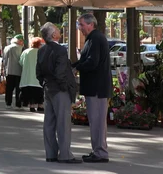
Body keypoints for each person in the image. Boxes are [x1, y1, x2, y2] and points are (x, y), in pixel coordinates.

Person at [36, 22, 82, 164]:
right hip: (59, 89)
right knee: (63, 123)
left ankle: (50, 153)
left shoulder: (42, 50)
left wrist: (44, 83)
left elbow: (38, 72)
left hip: (48, 87)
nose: (59, 32)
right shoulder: (60, 50)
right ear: (53, 35)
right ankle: (65, 154)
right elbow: (60, 72)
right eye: (57, 30)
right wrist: (65, 87)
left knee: (49, 122)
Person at [73, 13, 112, 163]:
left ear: (91, 24)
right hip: (96, 87)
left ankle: (100, 152)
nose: (80, 28)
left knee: (97, 121)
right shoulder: (94, 38)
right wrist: (76, 65)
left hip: (97, 88)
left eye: (81, 25)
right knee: (96, 121)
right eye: (79, 25)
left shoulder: (95, 38)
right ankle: (97, 150)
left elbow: (92, 62)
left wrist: (77, 67)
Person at [19, 37, 45, 112]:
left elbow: (21, 62)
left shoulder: (26, 52)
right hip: (38, 76)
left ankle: (32, 105)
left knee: (30, 92)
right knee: (39, 91)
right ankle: (40, 105)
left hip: (28, 76)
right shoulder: (41, 52)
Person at [3, 35, 24, 109]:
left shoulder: (6, 48)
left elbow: (4, 60)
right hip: (19, 71)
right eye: (22, 41)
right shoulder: (21, 48)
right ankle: (18, 104)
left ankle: (8, 103)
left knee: (9, 88)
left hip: (9, 70)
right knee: (18, 89)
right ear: (19, 41)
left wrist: (3, 69)